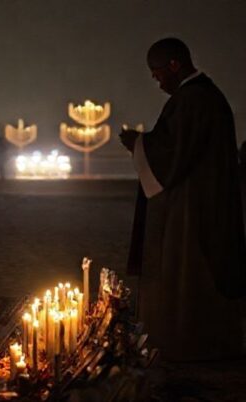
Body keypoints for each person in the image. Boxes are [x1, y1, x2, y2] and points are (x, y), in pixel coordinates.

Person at [120, 38, 245, 361]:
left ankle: (186, 342)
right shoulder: (204, 96)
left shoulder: (193, 99)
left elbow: (172, 154)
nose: (158, 81)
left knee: (187, 269)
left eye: (158, 73)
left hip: (192, 206)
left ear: (174, 65)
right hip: (203, 198)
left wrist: (137, 143)